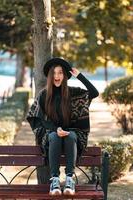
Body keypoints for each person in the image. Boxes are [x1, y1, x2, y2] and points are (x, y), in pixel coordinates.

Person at [26, 57, 99, 196]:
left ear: (65, 76)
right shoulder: (44, 95)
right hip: (51, 134)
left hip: (73, 133)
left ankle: (70, 180)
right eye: (54, 73)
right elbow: (37, 118)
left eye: (60, 73)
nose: (57, 76)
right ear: (49, 76)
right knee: (54, 136)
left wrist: (79, 76)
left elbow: (94, 93)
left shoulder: (74, 92)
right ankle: (54, 181)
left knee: (71, 136)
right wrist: (55, 129)